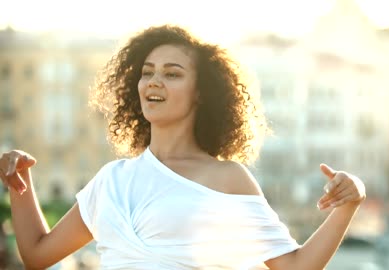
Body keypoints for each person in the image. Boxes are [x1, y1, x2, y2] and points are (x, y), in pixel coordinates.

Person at [0, 25, 366, 270]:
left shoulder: (225, 178)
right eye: (147, 71)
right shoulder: (111, 179)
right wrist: (21, 181)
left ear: (201, 93)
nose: (154, 81)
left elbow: (297, 267)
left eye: (172, 73)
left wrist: (350, 203)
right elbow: (36, 254)